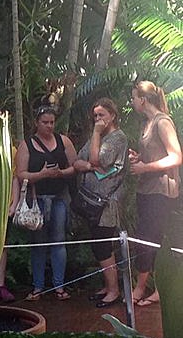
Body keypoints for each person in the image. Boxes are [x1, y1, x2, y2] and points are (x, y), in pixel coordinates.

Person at [16, 103, 77, 301]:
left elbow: (75, 166)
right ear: (37, 123)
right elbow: (20, 174)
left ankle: (60, 286)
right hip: (37, 199)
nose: (49, 126)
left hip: (59, 198)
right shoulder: (27, 144)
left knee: (59, 242)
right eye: (45, 122)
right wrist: (41, 175)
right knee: (38, 244)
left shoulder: (63, 141)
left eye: (52, 122)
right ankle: (38, 286)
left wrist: (60, 173)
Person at [128, 81, 181, 307]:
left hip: (162, 191)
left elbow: (176, 156)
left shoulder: (163, 122)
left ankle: (146, 288)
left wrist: (145, 168)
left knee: (151, 239)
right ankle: (152, 288)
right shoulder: (147, 123)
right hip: (147, 189)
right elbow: (154, 153)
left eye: (133, 98)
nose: (131, 102)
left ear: (143, 99)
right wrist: (140, 158)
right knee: (147, 238)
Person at [73, 98, 127, 308]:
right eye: (95, 116)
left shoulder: (117, 139)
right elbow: (79, 161)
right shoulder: (95, 138)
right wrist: (88, 165)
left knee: (104, 245)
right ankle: (108, 286)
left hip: (106, 204)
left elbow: (99, 161)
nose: (98, 119)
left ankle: (114, 291)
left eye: (101, 115)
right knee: (98, 245)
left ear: (112, 116)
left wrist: (96, 134)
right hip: (90, 201)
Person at [0, 146, 20, 303]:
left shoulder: (10, 149)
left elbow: (14, 177)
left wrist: (14, 202)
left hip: (4, 207)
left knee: (3, 245)